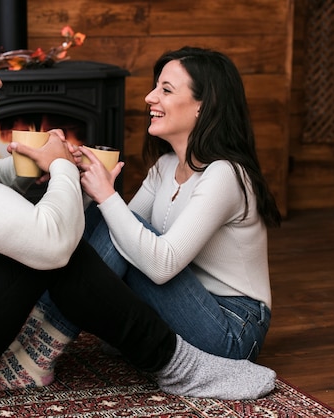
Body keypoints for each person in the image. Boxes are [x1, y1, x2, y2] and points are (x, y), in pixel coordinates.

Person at [0, 22, 276, 410]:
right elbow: (53, 244)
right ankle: (177, 367)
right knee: (47, 248)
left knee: (39, 232)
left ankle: (41, 343)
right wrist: (59, 166)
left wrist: (41, 162)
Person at [74, 46, 282, 361]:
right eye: (156, 86)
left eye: (166, 90)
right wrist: (85, 185)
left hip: (233, 328)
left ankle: (47, 334)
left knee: (122, 221)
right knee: (103, 220)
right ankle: (43, 327)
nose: (149, 97)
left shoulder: (225, 174)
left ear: (203, 106)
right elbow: (116, 240)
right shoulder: (166, 165)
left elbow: (162, 266)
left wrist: (106, 195)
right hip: (187, 304)